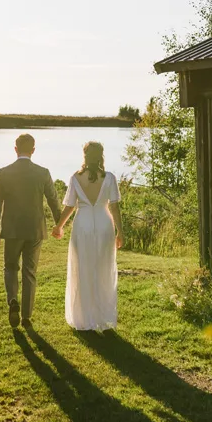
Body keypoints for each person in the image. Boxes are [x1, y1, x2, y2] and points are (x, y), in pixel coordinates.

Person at [0, 133, 62, 329]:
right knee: (30, 272)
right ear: (33, 150)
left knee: (10, 267)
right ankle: (26, 316)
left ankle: (13, 300)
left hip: (12, 229)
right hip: (35, 230)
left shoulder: (3, 173)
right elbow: (53, 200)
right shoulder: (43, 173)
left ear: (15, 149)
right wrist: (59, 224)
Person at [51, 141, 123, 331]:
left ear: (85, 156)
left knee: (82, 268)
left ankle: (84, 317)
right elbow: (114, 207)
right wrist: (120, 232)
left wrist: (59, 226)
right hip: (104, 224)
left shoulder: (76, 177)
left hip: (82, 225)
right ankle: (102, 316)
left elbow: (70, 206)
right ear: (101, 156)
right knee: (103, 269)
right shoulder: (109, 178)